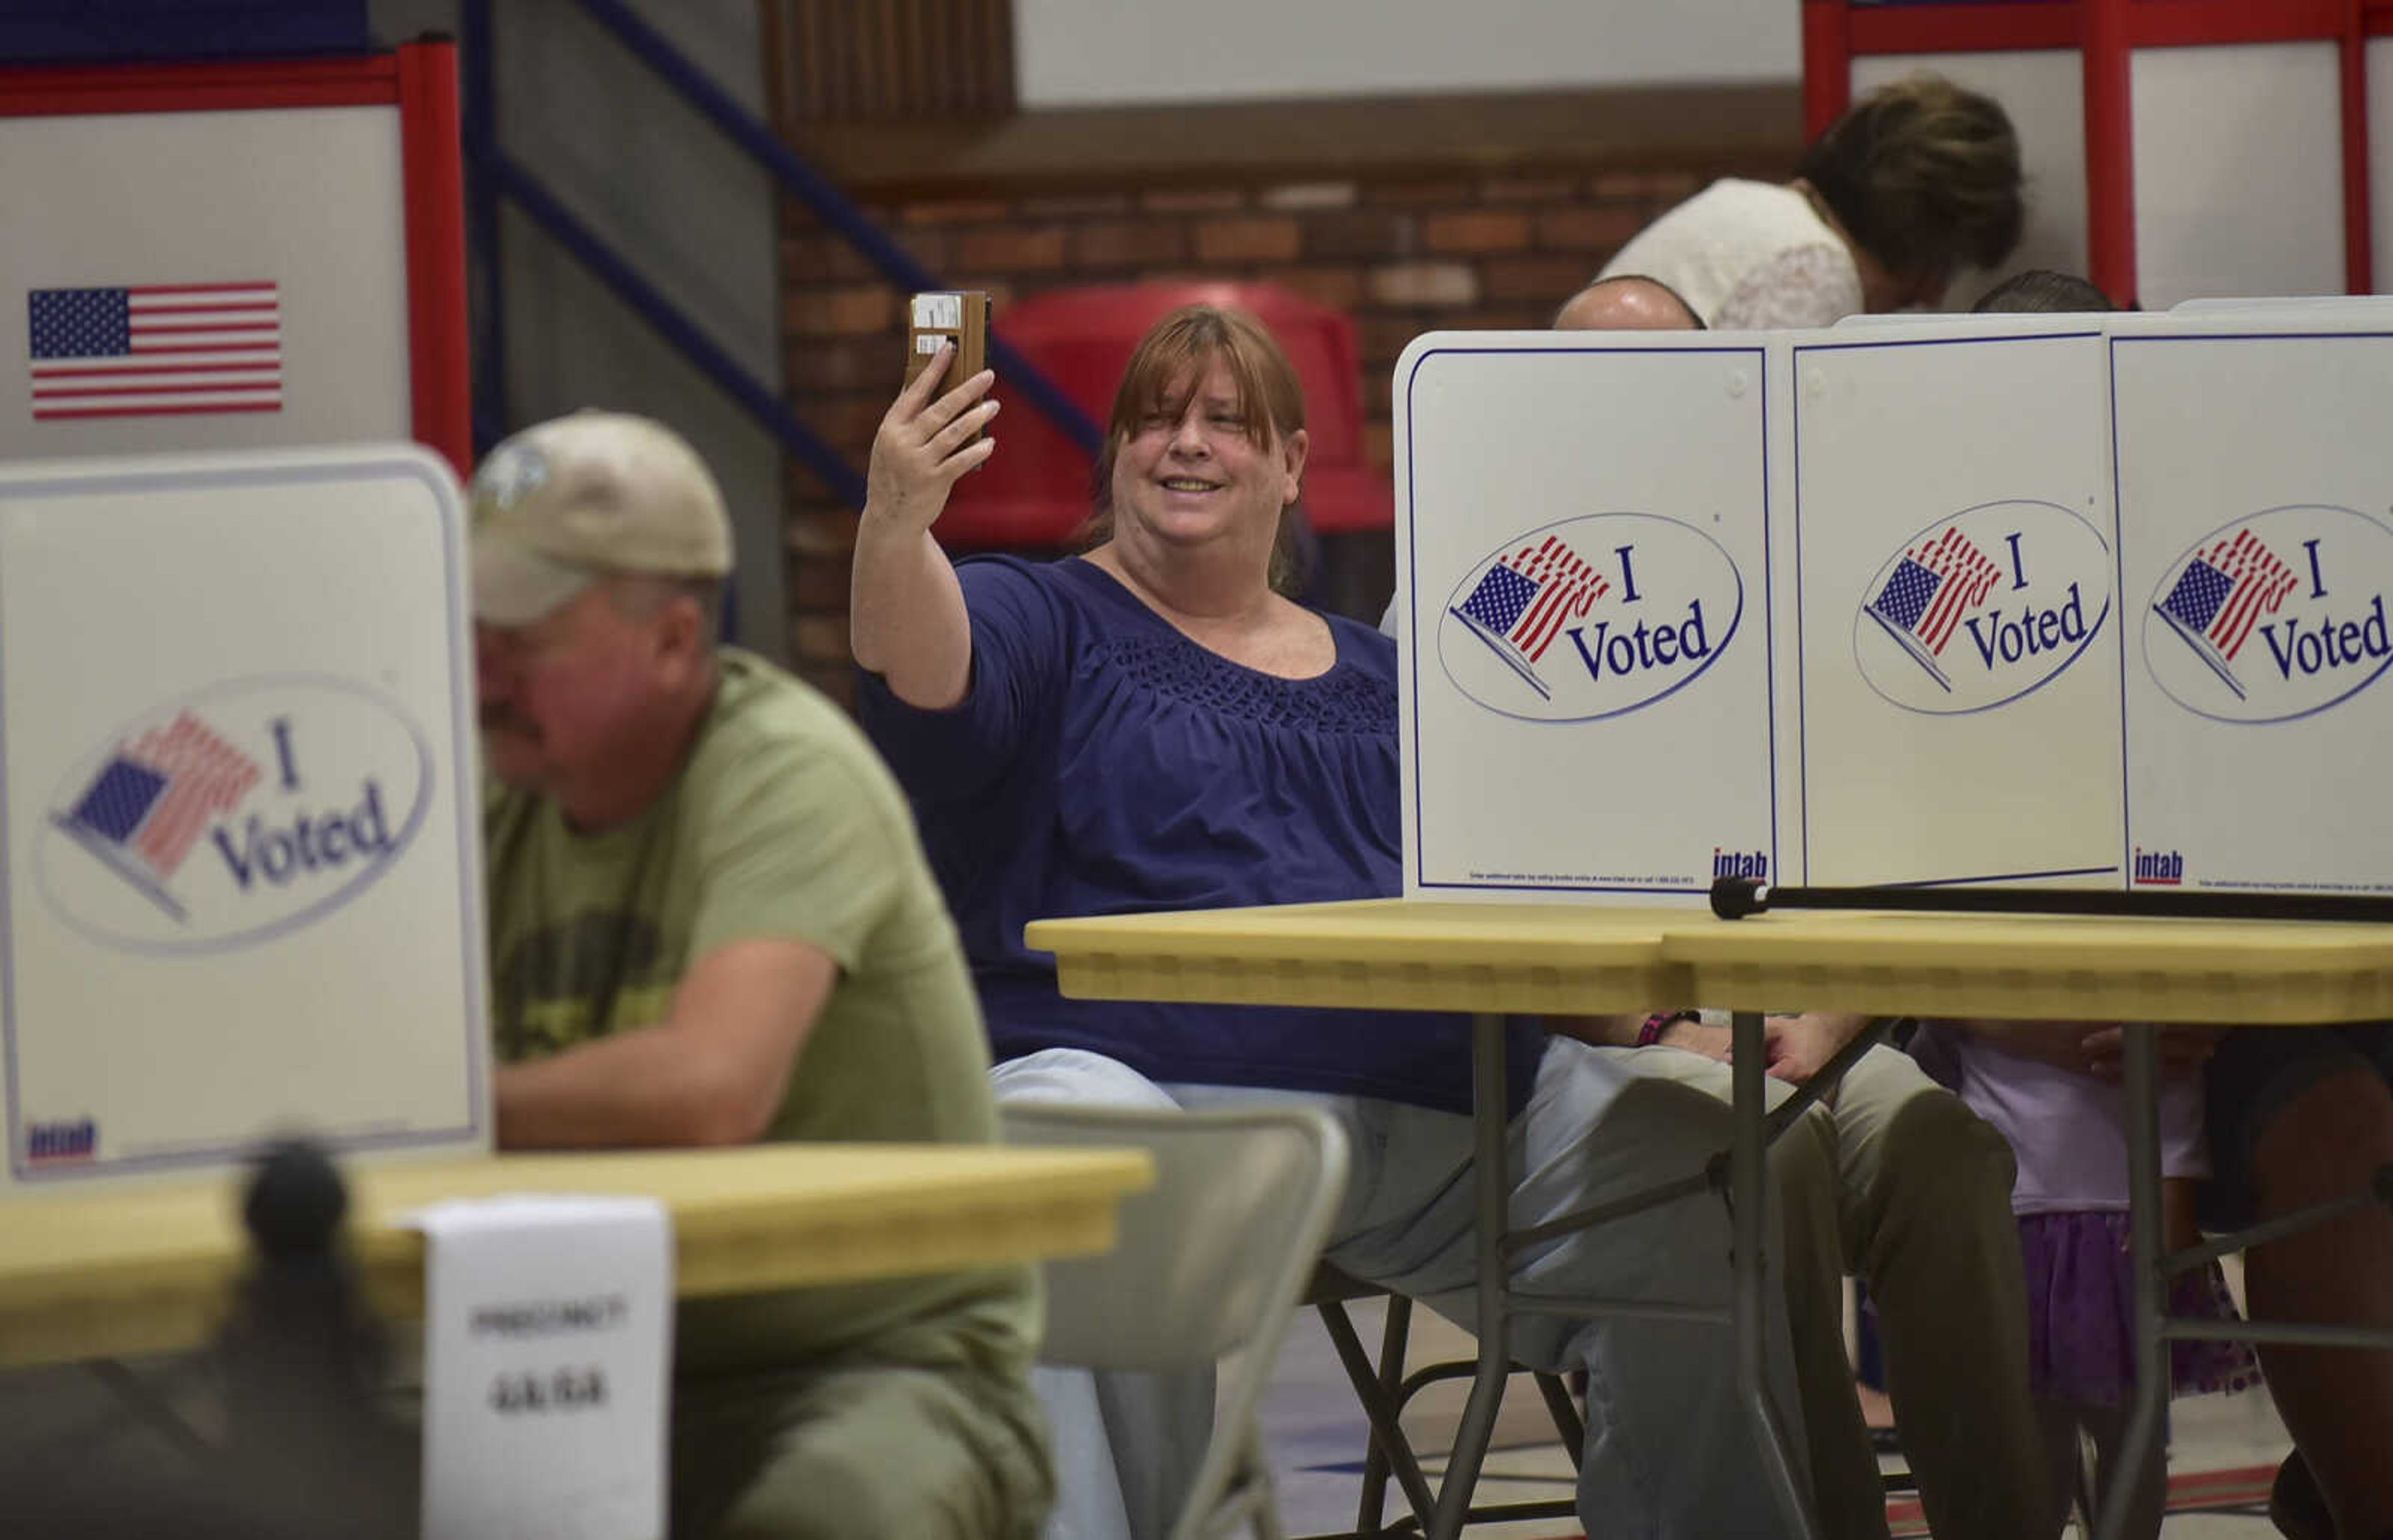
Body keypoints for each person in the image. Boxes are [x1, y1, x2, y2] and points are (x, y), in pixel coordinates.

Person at [851, 303, 1891, 1540]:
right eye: (1155, 420)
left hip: (1446, 1123)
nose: (1186, 444)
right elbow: (921, 663)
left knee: (1701, 1169)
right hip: (1159, 1104)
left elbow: (1533, 890)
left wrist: (1656, 1021)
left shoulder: (1395, 675)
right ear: (1116, 457)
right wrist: (896, 524)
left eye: (1228, 422)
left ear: (1292, 466)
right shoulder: (1044, 617)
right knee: (1073, 1163)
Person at [470, 410, 1052, 1539]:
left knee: (818, 1519)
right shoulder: (493, 799)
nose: (483, 667)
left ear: (676, 640)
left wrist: (425, 1110)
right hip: (593, 1352)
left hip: (884, 1368)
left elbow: (708, 1091)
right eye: (472, 623)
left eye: (526, 633)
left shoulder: (785, 771)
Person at [1909, 1020, 2260, 1537]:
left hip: (2118, 1232)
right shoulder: (1970, 1000)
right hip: (2005, 1224)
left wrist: (2173, 1193)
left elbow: (2177, 1079)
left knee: (2130, 1428)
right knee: (2030, 1435)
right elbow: (1926, 1076)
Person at [1598, 74, 2023, 328]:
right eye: (1942, 266)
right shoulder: (1815, 271)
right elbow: (1770, 455)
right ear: (1919, 230)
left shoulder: (1755, 207)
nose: (1932, 297)